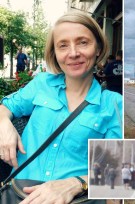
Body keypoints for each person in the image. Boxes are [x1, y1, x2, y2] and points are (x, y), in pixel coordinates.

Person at [0, 11, 122, 203]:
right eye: (63, 45)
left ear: (98, 48)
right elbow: (6, 106)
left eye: (83, 42)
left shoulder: (114, 104)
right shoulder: (42, 84)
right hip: (18, 196)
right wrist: (3, 123)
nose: (73, 53)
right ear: (55, 54)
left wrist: (77, 183)